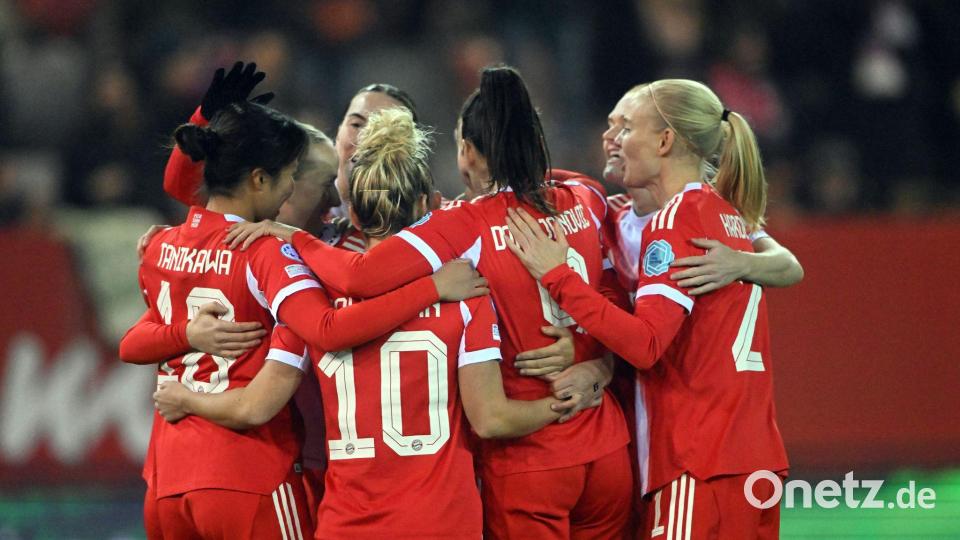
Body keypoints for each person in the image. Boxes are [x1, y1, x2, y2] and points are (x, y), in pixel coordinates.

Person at [226, 66, 633, 539]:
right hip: (585, 450)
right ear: (427, 200)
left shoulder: (445, 238)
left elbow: (360, 281)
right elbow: (617, 296)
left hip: (481, 476)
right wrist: (596, 361)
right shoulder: (583, 198)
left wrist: (296, 239)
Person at [150, 107, 579, 538]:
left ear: (352, 214)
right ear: (429, 206)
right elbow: (492, 419)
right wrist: (564, 397)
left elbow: (255, 404)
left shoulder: (311, 293)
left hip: (347, 521)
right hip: (443, 518)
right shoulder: (466, 292)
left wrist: (187, 396)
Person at [505, 79, 790, 539]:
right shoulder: (727, 211)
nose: (610, 136)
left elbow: (647, 344)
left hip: (698, 461)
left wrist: (558, 277)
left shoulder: (674, 219)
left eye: (625, 126)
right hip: (749, 457)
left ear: (664, 140)